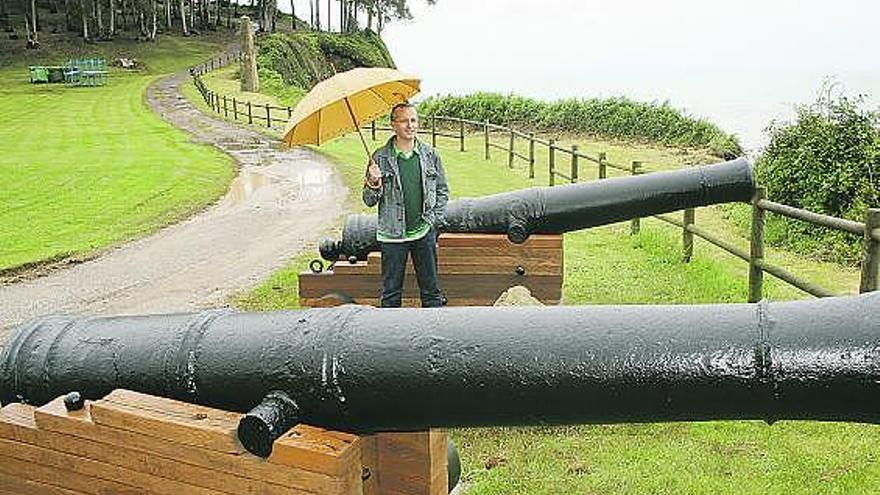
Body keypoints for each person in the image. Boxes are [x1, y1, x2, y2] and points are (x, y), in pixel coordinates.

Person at [362, 102, 449, 307]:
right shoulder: (379, 158)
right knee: (391, 293)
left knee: (431, 292)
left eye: (413, 120)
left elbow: (442, 190)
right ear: (393, 125)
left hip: (423, 230)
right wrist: (374, 182)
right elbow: (368, 200)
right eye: (404, 121)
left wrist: (434, 220)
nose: (410, 125)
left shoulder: (430, 155)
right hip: (392, 234)